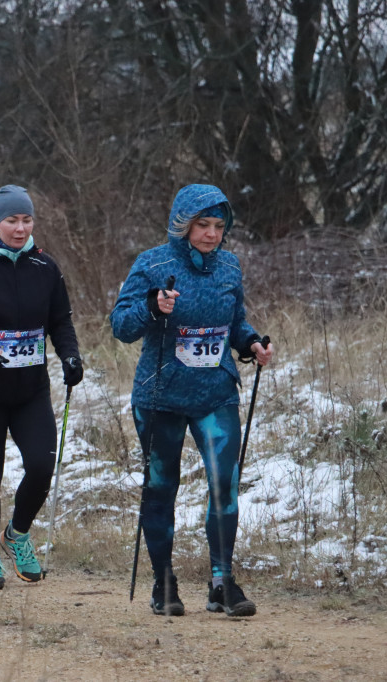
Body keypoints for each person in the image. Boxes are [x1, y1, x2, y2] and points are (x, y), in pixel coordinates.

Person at [109, 184, 273, 617]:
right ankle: (163, 582)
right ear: (184, 225)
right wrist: (153, 307)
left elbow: (235, 321)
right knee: (161, 488)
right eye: (203, 225)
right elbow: (121, 326)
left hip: (215, 394)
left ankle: (222, 582)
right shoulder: (152, 264)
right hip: (160, 396)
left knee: (225, 486)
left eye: (219, 226)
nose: (212, 234)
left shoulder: (230, 267)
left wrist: (252, 343)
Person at [0, 184, 83, 589]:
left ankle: (18, 534)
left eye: (26, 220)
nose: (20, 228)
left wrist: (70, 355)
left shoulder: (46, 267)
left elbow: (60, 321)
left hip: (30, 391)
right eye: (12, 220)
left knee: (42, 465)